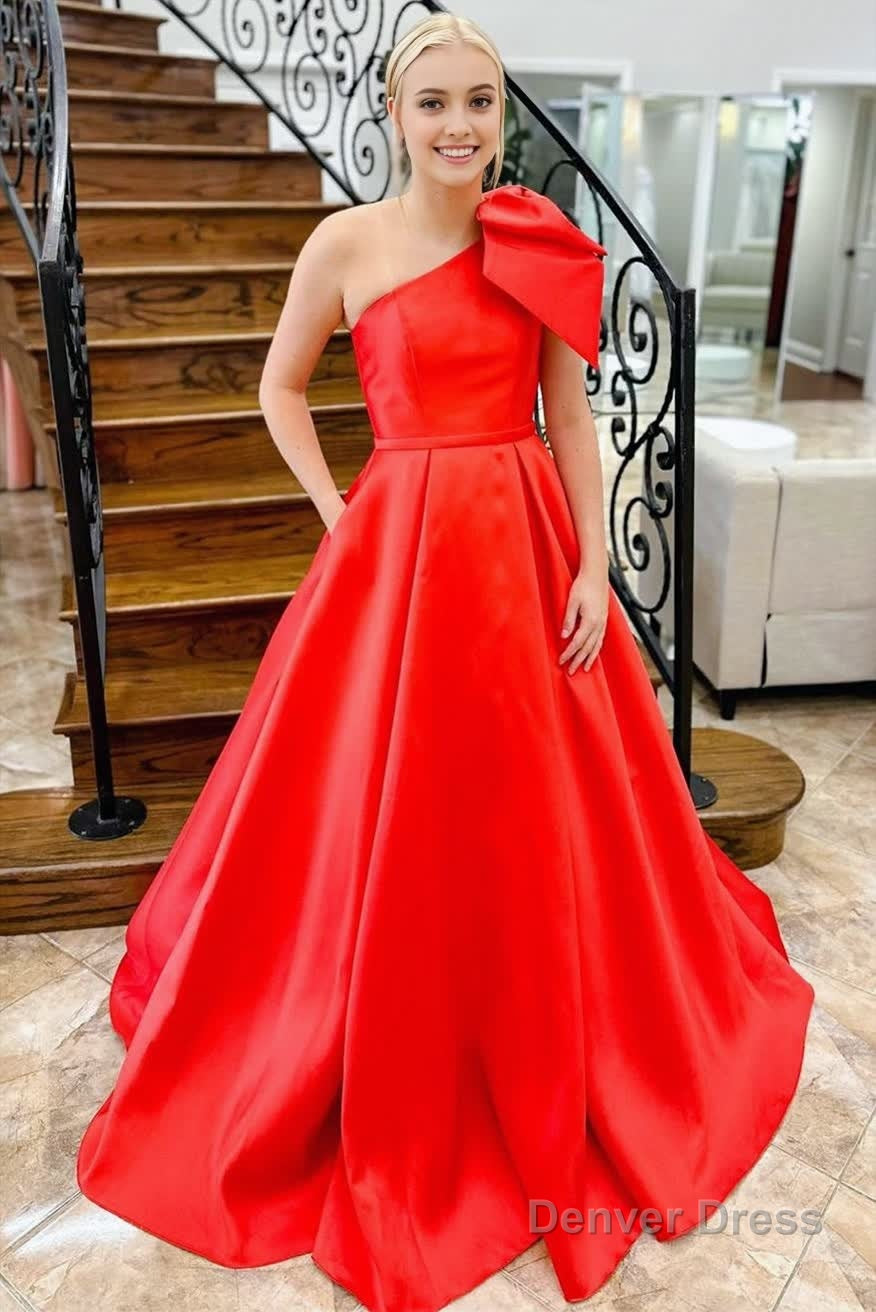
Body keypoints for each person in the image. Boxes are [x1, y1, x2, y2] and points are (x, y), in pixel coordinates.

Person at [76, 13, 815, 1312]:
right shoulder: (346, 243)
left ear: (501, 114)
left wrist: (594, 565)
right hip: (397, 551)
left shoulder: (535, 234)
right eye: (435, 103)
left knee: (543, 809)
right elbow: (280, 387)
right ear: (395, 112)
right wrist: (339, 512)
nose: (460, 124)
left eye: (481, 100)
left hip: (523, 545)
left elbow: (568, 414)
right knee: (380, 806)